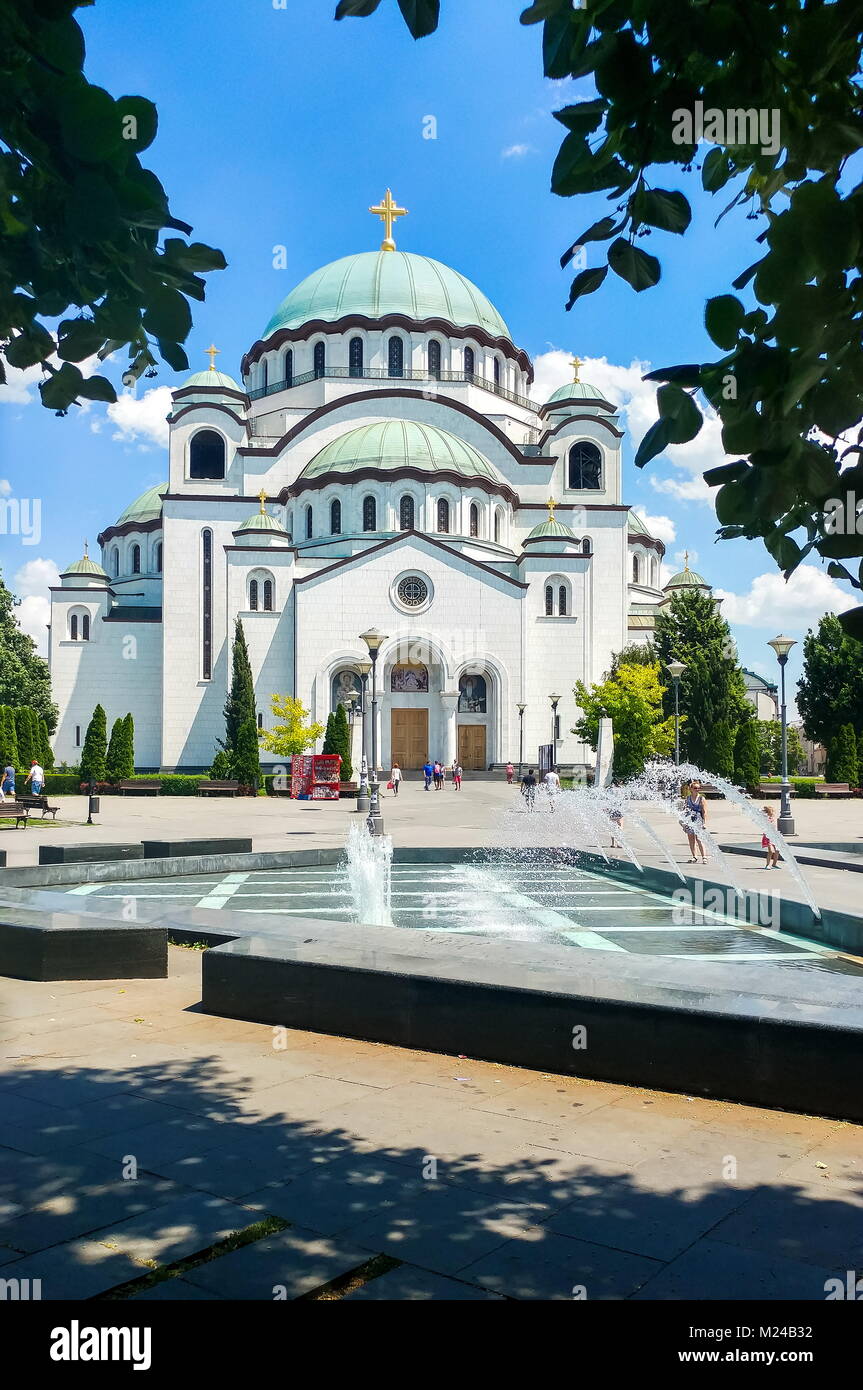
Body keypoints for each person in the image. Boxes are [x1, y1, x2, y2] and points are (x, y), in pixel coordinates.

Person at [682, 780, 708, 864]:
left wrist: (704, 823)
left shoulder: (701, 798)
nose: (697, 789)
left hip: (698, 820)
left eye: (698, 788)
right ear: (691, 789)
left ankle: (704, 857)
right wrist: (684, 822)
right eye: (695, 788)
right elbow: (685, 810)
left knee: (699, 839)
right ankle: (694, 856)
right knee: (691, 838)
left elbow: (704, 811)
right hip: (690, 820)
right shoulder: (688, 798)